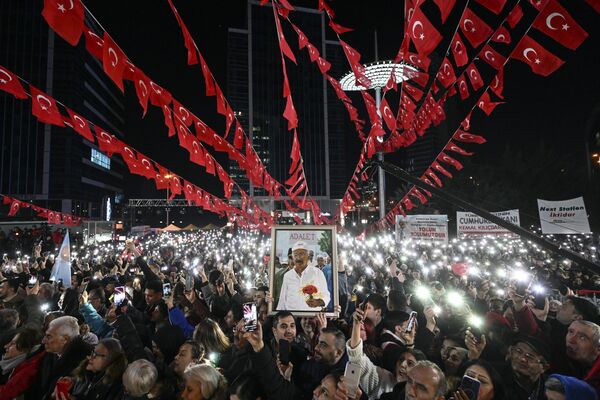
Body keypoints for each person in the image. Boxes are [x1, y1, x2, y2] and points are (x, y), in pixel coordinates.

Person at [25, 315, 93, 400]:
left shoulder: (88, 362)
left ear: (65, 339)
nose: (43, 340)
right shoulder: (52, 352)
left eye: (49, 336)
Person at [277, 241, 330, 311]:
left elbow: (326, 295)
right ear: (293, 258)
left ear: (308, 256)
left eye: (301, 254)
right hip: (292, 318)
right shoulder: (287, 276)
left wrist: (318, 302)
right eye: (295, 255)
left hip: (312, 318)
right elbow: (282, 300)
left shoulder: (317, 273)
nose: (298, 258)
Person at [0, 328, 44, 400]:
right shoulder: (9, 366)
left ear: (25, 349)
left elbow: (6, 393)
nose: (6, 346)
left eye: (13, 344)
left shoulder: (24, 372)